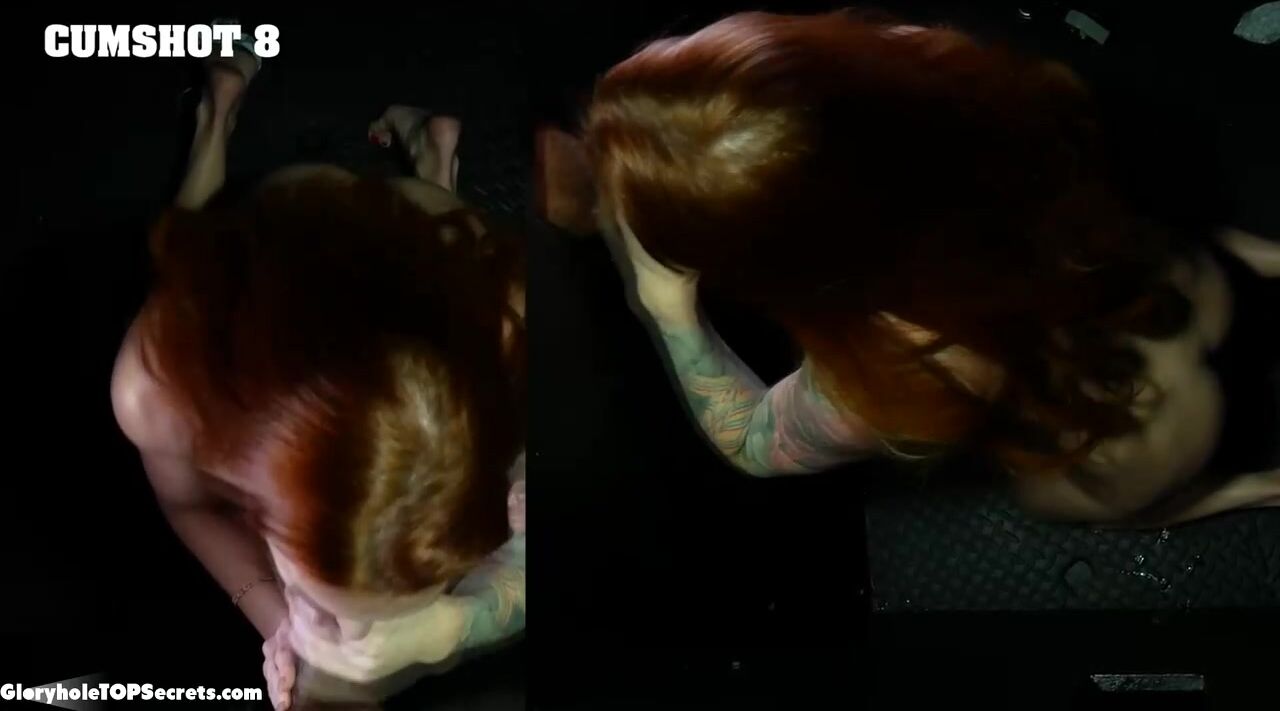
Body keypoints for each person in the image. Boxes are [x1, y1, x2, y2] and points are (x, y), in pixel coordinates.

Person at [543, 10, 1278, 526]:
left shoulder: (904, 365)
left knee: (1058, 500)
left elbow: (755, 443)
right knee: (1174, 245)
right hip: (1170, 277)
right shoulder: (955, 76)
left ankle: (1249, 491)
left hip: (1145, 431)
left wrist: (668, 308)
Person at [110, 33, 525, 710]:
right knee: (179, 249)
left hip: (418, 234)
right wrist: (283, 620)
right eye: (324, 604)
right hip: (268, 227)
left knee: (468, 248)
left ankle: (431, 167)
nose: (362, 644)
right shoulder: (152, 389)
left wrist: (448, 624)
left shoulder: (513, 331)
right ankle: (215, 120)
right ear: (251, 493)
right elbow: (188, 505)